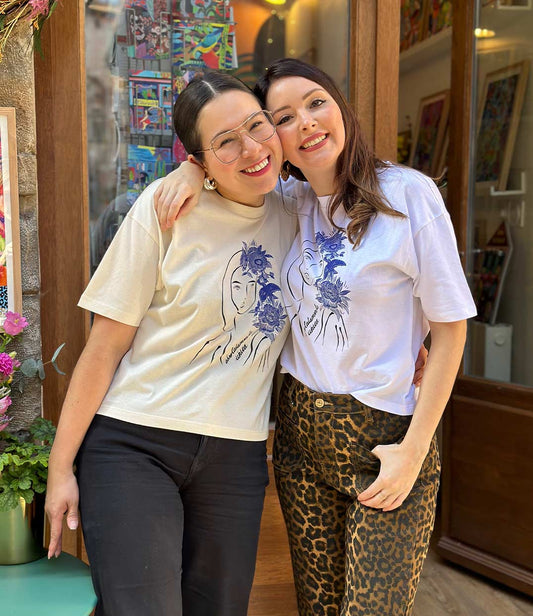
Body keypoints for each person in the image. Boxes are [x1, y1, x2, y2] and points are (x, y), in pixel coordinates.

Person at [153, 58, 477, 616]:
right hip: (301, 436)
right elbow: (228, 167)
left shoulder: (408, 195)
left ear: (339, 106)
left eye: (315, 102)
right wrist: (191, 171)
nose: (304, 123)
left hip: (387, 438)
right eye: (282, 116)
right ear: (273, 136)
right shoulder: (287, 204)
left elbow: (450, 330)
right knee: (318, 608)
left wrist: (414, 451)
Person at [44, 71, 298, 616]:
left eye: (258, 126)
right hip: (135, 445)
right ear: (199, 157)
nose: (252, 149)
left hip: (237, 454)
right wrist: (60, 468)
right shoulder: (166, 208)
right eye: (226, 141)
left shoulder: (300, 213)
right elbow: (104, 348)